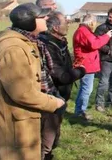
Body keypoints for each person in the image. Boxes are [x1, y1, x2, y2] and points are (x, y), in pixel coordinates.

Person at [0, 3, 66, 160]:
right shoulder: (14, 49)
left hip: (20, 121)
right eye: (42, 16)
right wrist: (54, 103)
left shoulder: (27, 42)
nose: (47, 18)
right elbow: (23, 93)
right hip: (12, 127)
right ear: (30, 22)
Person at [38, 11, 87, 160]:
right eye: (65, 22)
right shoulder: (48, 45)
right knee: (45, 142)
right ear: (55, 28)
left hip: (60, 97)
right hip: (50, 98)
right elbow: (61, 76)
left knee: (53, 139)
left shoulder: (60, 41)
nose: (68, 24)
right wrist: (81, 70)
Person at [72, 14, 112, 120]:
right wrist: (106, 36)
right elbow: (94, 44)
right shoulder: (83, 31)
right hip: (86, 65)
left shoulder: (84, 31)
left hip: (86, 64)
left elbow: (93, 40)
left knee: (84, 89)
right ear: (91, 22)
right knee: (86, 89)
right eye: (94, 22)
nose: (95, 25)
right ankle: (81, 111)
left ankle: (79, 110)